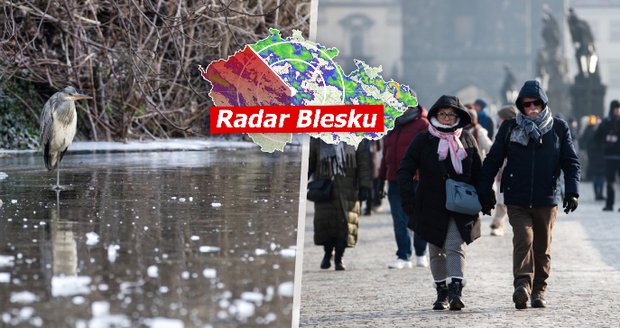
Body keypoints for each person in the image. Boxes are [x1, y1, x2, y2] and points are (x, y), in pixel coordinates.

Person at [477, 80, 580, 309]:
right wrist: (484, 190)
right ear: (521, 106)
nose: (532, 108)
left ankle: (539, 291)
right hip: (517, 197)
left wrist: (572, 191)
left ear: (543, 104)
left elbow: (571, 163)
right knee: (523, 239)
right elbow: (493, 159)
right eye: (527, 104)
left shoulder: (559, 128)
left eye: (536, 103)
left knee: (542, 248)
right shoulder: (510, 127)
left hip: (546, 197)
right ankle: (522, 285)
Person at [397, 95, 482, 311]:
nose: (446, 118)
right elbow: (405, 169)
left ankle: (455, 290)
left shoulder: (467, 139)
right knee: (436, 249)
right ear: (435, 115)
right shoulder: (423, 140)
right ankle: (441, 291)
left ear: (458, 116)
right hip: (430, 202)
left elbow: (480, 172)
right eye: (442, 114)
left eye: (451, 114)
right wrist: (407, 197)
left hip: (459, 203)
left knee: (454, 244)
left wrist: (485, 198)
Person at [378, 104, 429, 269]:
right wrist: (380, 178)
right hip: (394, 179)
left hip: (417, 179)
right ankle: (404, 255)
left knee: (420, 217)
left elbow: (429, 152)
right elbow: (386, 153)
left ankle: (421, 253)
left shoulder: (423, 124)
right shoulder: (391, 124)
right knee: (399, 219)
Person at [308, 138, 372, 271]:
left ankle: (339, 258)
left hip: (348, 191)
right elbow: (309, 162)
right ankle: (327, 253)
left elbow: (363, 163)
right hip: (326, 190)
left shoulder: (356, 138)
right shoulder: (319, 138)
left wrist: (365, 186)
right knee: (326, 225)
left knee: (345, 226)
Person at [489, 105, 518, 237]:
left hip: (512, 169)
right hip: (501, 169)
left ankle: (498, 223)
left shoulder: (517, 130)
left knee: (506, 199)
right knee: (501, 198)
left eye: (500, 118)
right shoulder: (499, 130)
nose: (498, 120)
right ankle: (498, 223)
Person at [595, 100, 620, 211]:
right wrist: (604, 146)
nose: (617, 110)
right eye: (616, 108)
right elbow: (597, 138)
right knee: (610, 182)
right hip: (609, 156)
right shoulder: (605, 122)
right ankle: (609, 204)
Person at [580, 115, 605, 200]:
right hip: (600, 156)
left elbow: (584, 141)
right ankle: (600, 193)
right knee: (601, 175)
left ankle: (597, 193)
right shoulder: (600, 133)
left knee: (596, 175)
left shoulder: (587, 130)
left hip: (592, 156)